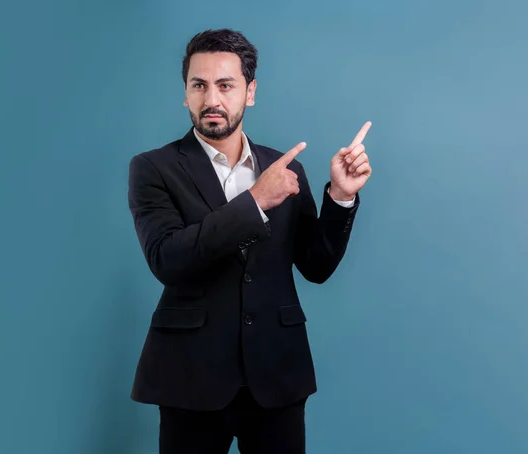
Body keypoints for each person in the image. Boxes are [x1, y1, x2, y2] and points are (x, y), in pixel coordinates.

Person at [127, 28, 372, 454]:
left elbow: (317, 266)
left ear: (250, 92)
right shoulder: (152, 168)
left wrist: (342, 196)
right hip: (190, 378)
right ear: (185, 93)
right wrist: (256, 200)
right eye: (199, 85)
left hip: (277, 374)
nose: (212, 100)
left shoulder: (284, 167)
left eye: (226, 85)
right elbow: (167, 257)